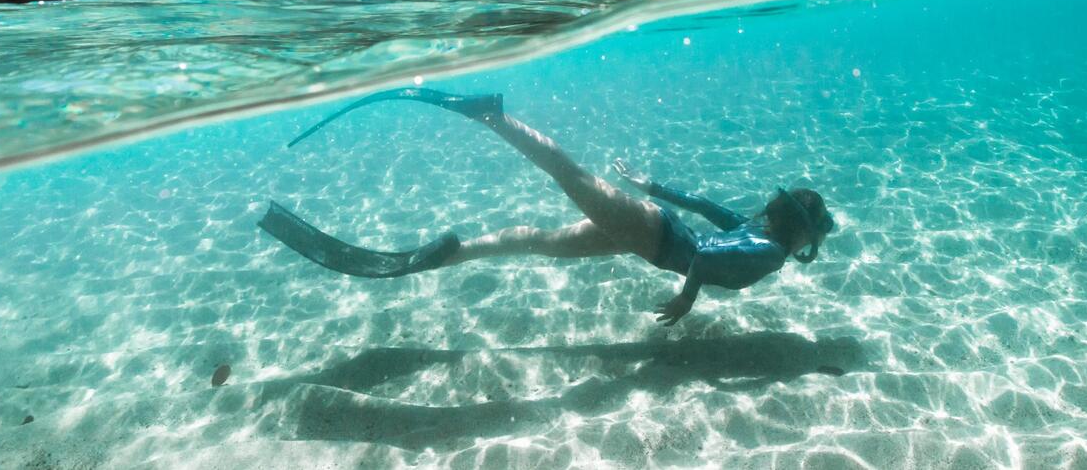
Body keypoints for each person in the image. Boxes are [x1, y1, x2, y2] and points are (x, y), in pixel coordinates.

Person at [260, 88, 836, 325]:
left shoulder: (758, 233)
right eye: (814, 235)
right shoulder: (768, 252)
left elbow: (707, 206)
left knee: (542, 242)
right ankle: (492, 113)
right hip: (652, 234)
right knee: (570, 174)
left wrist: (652, 185)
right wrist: (685, 301)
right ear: (801, 234)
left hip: (648, 235)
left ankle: (452, 252)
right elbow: (704, 261)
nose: (813, 244)